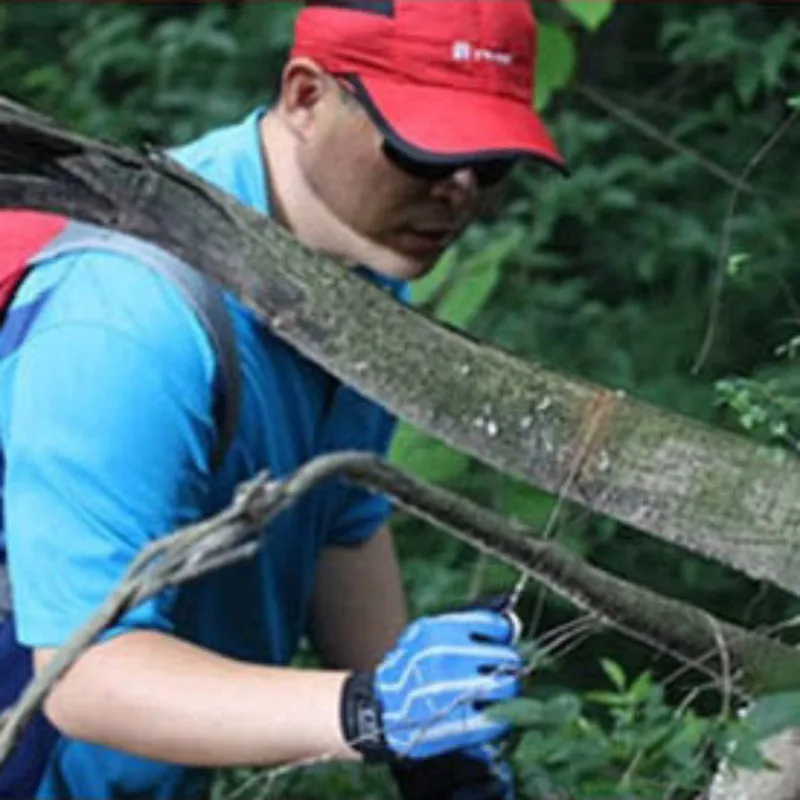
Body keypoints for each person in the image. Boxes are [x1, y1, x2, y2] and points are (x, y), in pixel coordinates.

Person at [0, 1, 565, 798]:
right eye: (424, 149)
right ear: (305, 96)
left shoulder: (358, 272)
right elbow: (87, 673)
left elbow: (340, 524)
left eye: (490, 162)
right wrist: (372, 710)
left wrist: (432, 753)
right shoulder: (129, 319)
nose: (459, 193)